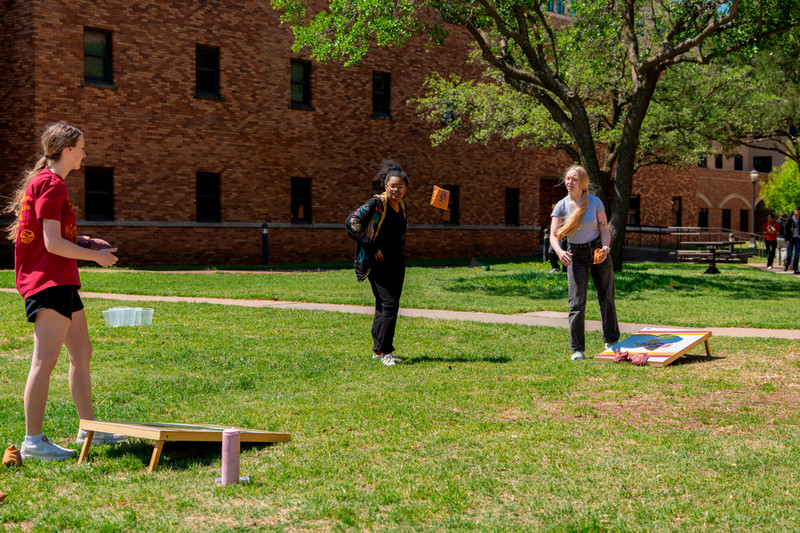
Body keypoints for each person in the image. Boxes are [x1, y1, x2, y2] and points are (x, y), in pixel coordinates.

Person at [3, 122, 126, 461]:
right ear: (68, 149)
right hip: (48, 282)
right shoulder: (52, 184)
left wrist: (85, 242)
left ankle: (90, 427)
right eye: (82, 147)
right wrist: (95, 257)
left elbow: (54, 236)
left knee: (81, 353)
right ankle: (33, 442)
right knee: (44, 361)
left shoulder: (50, 183)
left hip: (61, 280)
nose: (85, 153)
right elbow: (52, 243)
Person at [549, 164, 620, 360]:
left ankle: (612, 340)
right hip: (575, 256)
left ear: (583, 183)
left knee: (607, 297)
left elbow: (604, 228)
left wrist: (606, 248)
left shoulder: (595, 202)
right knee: (576, 303)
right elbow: (554, 236)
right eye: (568, 179)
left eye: (574, 179)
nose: (569, 182)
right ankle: (577, 349)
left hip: (598, 252)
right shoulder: (561, 206)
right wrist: (559, 251)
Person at [345, 160, 409, 366]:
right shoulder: (376, 204)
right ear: (385, 186)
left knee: (385, 306)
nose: (396, 190)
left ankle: (378, 351)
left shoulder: (402, 206)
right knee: (389, 305)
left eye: (400, 186)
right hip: (378, 263)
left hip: (396, 263)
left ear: (405, 188)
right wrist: (371, 247)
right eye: (392, 186)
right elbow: (352, 222)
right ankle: (385, 352)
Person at [784, 207, 800, 274]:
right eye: (795, 210)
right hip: (790, 239)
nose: (796, 212)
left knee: (796, 254)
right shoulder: (790, 220)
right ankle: (787, 265)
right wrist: (786, 239)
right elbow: (786, 230)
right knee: (789, 254)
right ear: (794, 211)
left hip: (797, 239)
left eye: (798, 211)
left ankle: (795, 269)